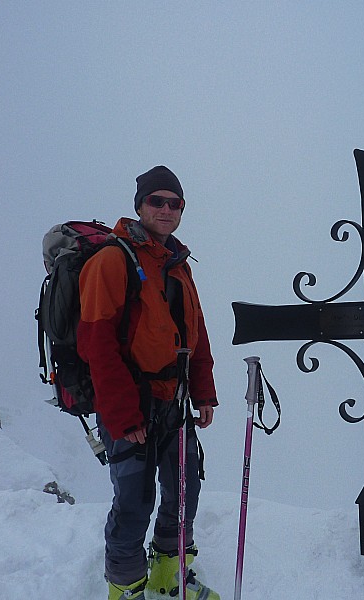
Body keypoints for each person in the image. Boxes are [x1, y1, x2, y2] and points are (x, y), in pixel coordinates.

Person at [77, 165, 220, 600]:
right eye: (156, 201)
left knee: (184, 489)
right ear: (139, 205)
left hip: (173, 402)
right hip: (130, 403)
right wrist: (124, 416)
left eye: (174, 203)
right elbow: (96, 344)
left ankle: (168, 577)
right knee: (135, 502)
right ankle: (125, 588)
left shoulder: (177, 263)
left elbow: (194, 331)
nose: (166, 209)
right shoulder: (112, 261)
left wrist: (204, 392)